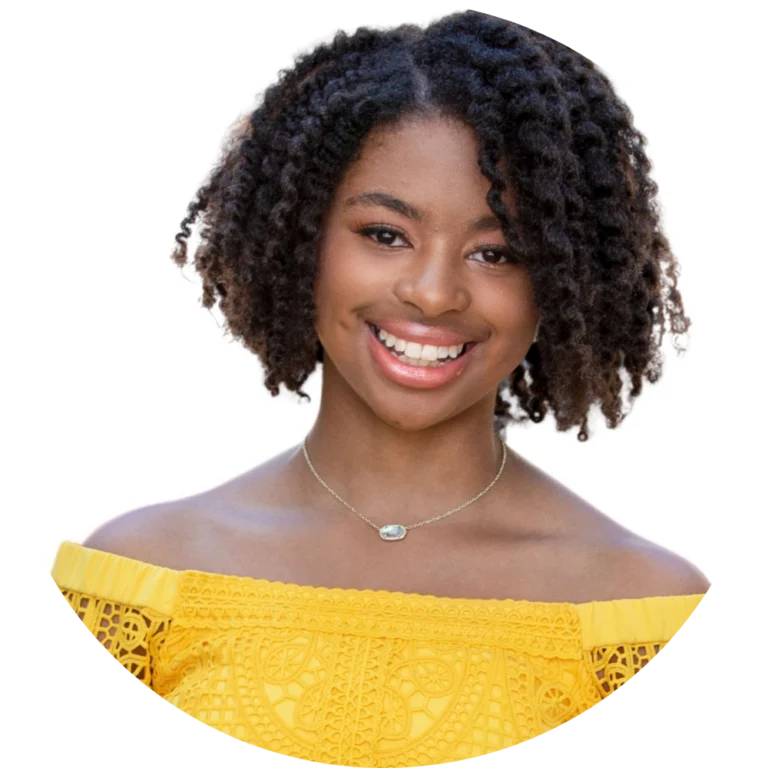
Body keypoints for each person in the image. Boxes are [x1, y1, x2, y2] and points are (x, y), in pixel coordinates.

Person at [50, 10, 710, 765]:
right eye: (385, 234)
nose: (433, 294)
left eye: (497, 252)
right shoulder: (144, 583)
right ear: (300, 239)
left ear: (560, 280)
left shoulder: (642, 615)